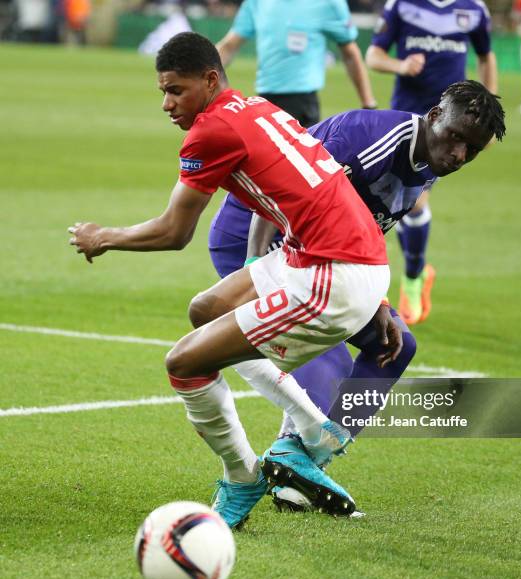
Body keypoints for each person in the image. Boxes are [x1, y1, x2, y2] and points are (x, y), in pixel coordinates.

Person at [68, 32, 395, 528]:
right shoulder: (255, 108)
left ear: (210, 78)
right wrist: (379, 288)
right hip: (340, 257)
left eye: (175, 90)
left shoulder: (210, 132)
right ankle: (313, 426)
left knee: (183, 362)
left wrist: (102, 236)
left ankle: (242, 478)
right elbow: (336, 190)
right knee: (206, 311)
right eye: (162, 91)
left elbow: (174, 232)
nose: (166, 103)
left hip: (333, 277)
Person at [209, 80, 506, 511]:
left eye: (472, 150)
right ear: (435, 115)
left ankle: (300, 464)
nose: (459, 154)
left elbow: (365, 229)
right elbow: (282, 191)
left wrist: (379, 301)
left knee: (394, 345)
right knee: (327, 356)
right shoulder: (369, 140)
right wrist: (255, 267)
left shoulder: (428, 167)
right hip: (257, 236)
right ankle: (278, 466)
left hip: (321, 256)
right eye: (456, 137)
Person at [365, 0, 498, 326]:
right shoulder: (402, 6)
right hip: (406, 121)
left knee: (413, 201)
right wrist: (401, 66)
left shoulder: (474, 9)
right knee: (397, 200)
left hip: (450, 129)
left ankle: (411, 277)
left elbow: (485, 56)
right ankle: (414, 274)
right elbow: (374, 55)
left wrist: (489, 112)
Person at [215, 0, 377, 128]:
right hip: (264, 102)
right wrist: (203, 72)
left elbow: (350, 53)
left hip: (303, 104)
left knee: (304, 168)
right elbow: (229, 46)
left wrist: (368, 103)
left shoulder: (328, 3)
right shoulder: (257, 2)